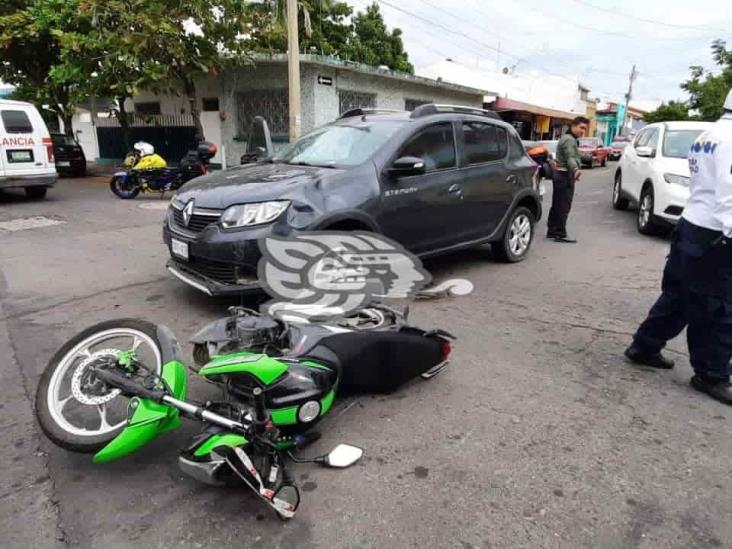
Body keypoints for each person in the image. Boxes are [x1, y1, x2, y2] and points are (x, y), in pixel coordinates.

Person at [625, 87, 732, 405]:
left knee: (679, 295)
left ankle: (644, 347)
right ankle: (711, 375)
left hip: (692, 226)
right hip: (717, 233)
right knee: (719, 308)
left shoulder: (709, 134)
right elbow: (730, 195)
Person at [547, 116, 590, 243]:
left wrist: (587, 157)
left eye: (585, 129)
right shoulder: (569, 140)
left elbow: (574, 154)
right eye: (581, 127)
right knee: (563, 206)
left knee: (557, 204)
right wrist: (575, 169)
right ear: (574, 126)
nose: (583, 131)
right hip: (564, 176)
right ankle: (560, 233)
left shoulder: (569, 139)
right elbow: (570, 157)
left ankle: (552, 230)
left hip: (560, 176)